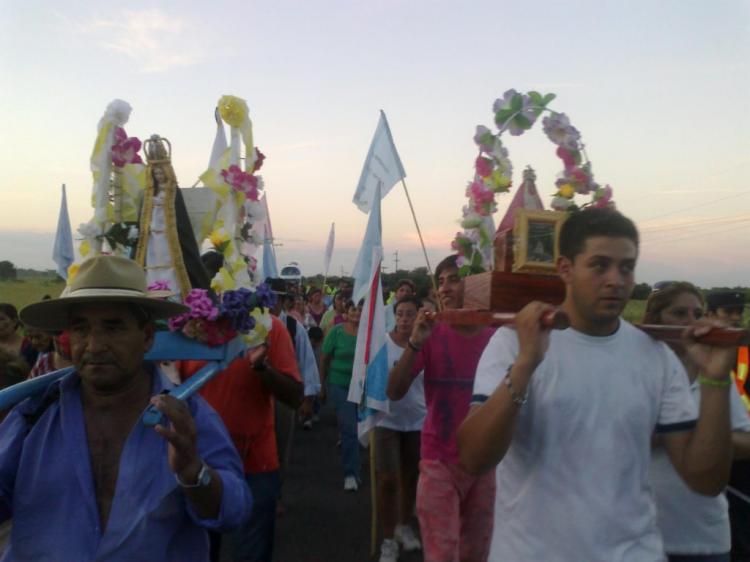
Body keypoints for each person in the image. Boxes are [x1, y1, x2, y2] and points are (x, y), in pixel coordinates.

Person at [459, 208, 737, 561]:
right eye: (599, 265)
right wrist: (526, 365)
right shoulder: (513, 343)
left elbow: (705, 480)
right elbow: (473, 457)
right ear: (565, 269)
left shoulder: (655, 356)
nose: (616, 280)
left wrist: (715, 380)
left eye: (626, 267)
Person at [2, 255, 250, 561]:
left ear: (146, 336)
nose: (94, 345)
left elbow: (234, 511)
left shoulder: (185, 416)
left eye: (113, 327)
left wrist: (193, 473)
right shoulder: (33, 414)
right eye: (81, 329)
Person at [387, 255, 496, 562]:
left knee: (476, 553)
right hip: (438, 462)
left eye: (455, 279)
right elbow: (394, 391)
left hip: (484, 463)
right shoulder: (431, 334)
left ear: (475, 284)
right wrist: (415, 343)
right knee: (442, 553)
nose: (445, 288)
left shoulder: (496, 338)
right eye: (442, 281)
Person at [178, 297, 302, 562]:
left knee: (252, 554)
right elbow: (169, 393)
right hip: (198, 467)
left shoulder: (269, 328)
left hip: (255, 466)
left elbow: (294, 396)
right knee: (199, 552)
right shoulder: (189, 330)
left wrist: (262, 367)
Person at [645, 282, 750, 562]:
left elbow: (746, 441)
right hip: (641, 535)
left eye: (696, 313)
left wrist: (698, 437)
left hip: (704, 538)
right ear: (656, 320)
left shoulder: (713, 374)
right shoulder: (635, 373)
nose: (691, 323)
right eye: (679, 314)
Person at [376, 296, 426, 562]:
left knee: (410, 478)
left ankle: (404, 525)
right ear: (394, 316)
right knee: (387, 480)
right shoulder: (383, 343)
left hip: (417, 419)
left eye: (410, 314)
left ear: (418, 316)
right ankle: (387, 540)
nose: (405, 318)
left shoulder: (425, 343)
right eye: (401, 313)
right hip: (387, 419)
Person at [134, 135, 210, 299]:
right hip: (152, 238)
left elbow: (181, 222)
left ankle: (172, 291)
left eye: (161, 172)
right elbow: (143, 216)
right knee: (153, 260)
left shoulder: (174, 193)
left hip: (169, 239)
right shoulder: (147, 195)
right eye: (156, 173)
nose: (159, 175)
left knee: (170, 265)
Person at [706, 290, 750, 562]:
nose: (735, 318)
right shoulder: (697, 351)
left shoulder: (746, 349)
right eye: (728, 312)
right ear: (710, 314)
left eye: (739, 312)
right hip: (712, 451)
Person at [321, 299, 362, 491]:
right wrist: (321, 386)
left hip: (363, 387)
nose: (357, 312)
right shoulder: (337, 331)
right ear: (347, 310)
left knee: (363, 432)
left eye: (362, 309)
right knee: (349, 430)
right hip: (339, 385)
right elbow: (324, 358)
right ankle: (350, 473)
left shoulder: (371, 334)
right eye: (354, 308)